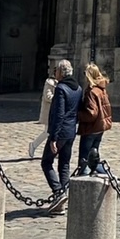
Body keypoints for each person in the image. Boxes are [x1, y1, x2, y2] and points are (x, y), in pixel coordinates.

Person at [41, 59, 82, 213]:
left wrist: (53, 137)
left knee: (46, 162)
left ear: (61, 72)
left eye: (56, 70)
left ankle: (58, 192)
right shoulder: (77, 88)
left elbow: (59, 114)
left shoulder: (61, 89)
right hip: (71, 131)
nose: (55, 73)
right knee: (64, 164)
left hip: (61, 132)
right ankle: (62, 200)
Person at [75, 62, 112, 174]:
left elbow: (92, 113)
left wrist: (78, 115)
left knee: (85, 160)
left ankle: (83, 183)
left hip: (91, 128)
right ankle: (107, 176)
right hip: (100, 128)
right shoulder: (101, 88)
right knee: (94, 158)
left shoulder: (92, 91)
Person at [28, 66, 57, 159]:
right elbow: (47, 96)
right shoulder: (50, 82)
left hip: (57, 112)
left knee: (56, 132)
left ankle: (56, 151)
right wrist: (58, 98)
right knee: (47, 132)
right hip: (49, 111)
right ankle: (33, 145)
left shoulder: (61, 83)